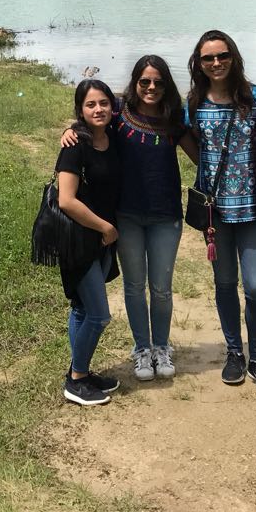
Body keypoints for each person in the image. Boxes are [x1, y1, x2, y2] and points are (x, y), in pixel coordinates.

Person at [65, 55, 197, 381]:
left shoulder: (174, 118)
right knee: (135, 287)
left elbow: (201, 156)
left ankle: (161, 346)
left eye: (158, 82)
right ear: (135, 83)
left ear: (166, 85)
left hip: (166, 216)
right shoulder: (120, 114)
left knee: (162, 288)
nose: (151, 87)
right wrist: (69, 130)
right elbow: (91, 117)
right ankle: (141, 349)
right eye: (145, 82)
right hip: (127, 217)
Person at [186, 30, 256, 393]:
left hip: (255, 207)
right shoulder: (194, 102)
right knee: (225, 283)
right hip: (216, 214)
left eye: (222, 55)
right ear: (199, 63)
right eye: (208, 58)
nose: (216, 63)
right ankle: (234, 353)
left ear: (234, 57)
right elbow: (184, 136)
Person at [55, 78, 122, 406]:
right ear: (80, 110)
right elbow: (66, 200)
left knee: (82, 309)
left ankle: (81, 371)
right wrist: (105, 228)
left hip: (104, 241)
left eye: (104, 103)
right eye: (90, 105)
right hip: (80, 241)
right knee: (98, 315)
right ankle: (76, 379)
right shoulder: (74, 145)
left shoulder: (113, 137)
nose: (99, 109)